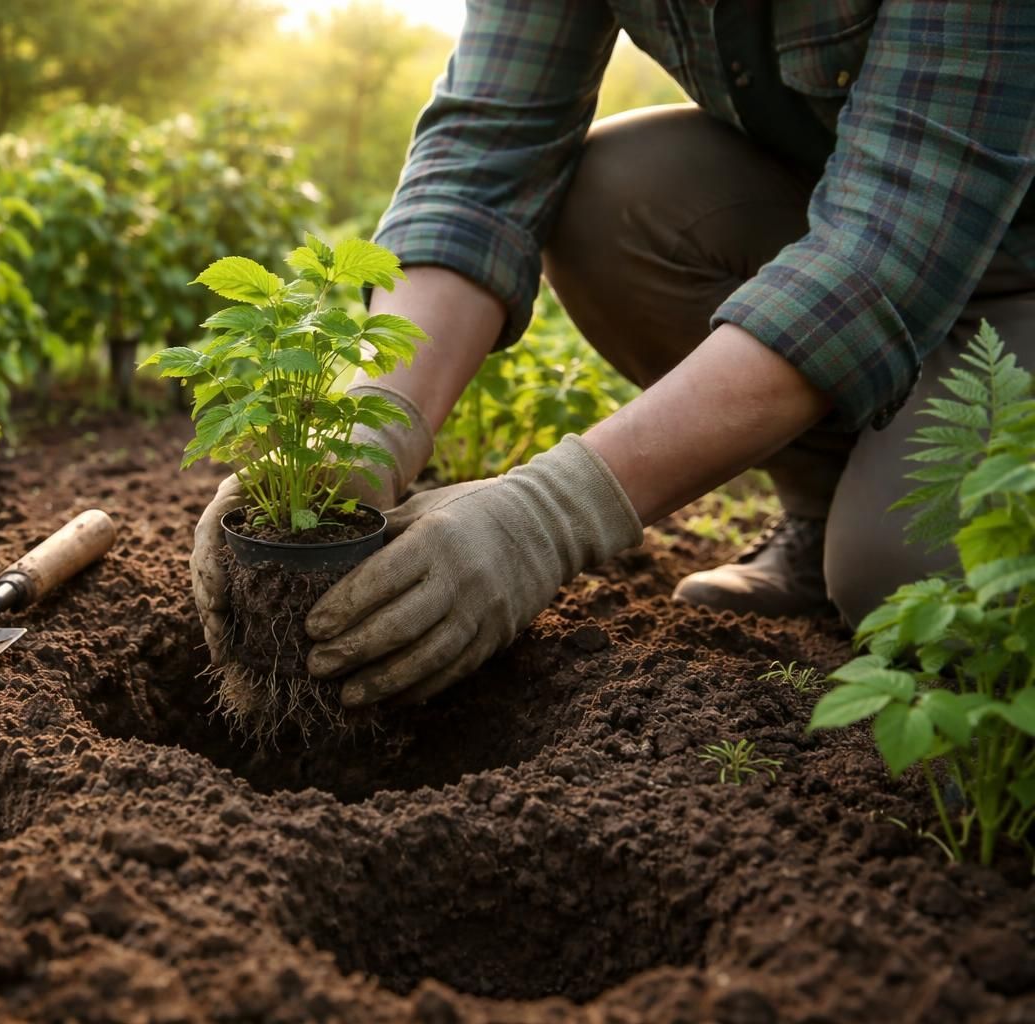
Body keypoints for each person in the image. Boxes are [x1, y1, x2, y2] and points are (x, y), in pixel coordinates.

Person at [193, 1, 1035, 709]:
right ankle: (825, 507)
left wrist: (553, 513)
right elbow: (484, 156)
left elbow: (890, 239)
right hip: (852, 221)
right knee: (610, 198)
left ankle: (875, 517)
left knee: (910, 582)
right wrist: (370, 429)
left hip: (1003, 255)